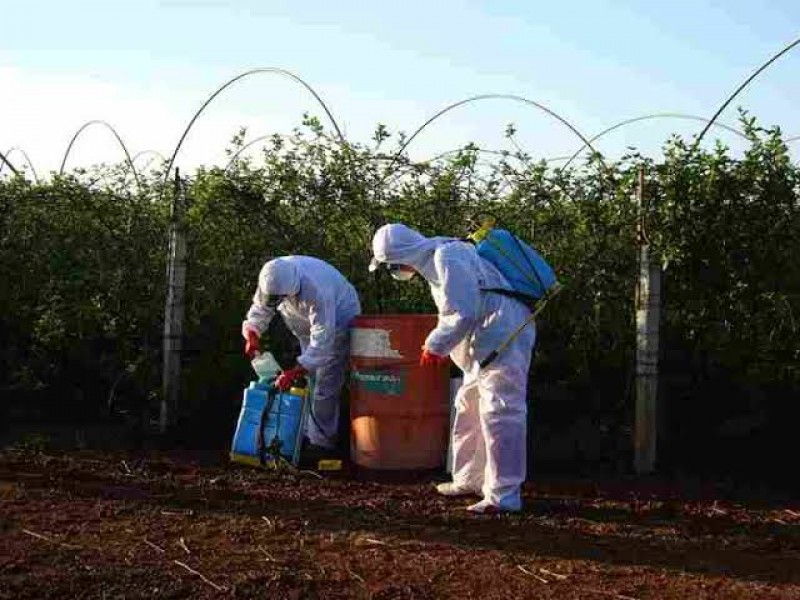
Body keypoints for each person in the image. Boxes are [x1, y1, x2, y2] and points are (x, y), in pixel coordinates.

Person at [369, 223, 536, 513]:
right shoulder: (438, 258)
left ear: (400, 257)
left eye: (391, 265)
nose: (394, 271)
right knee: (468, 403)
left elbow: (463, 312)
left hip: (505, 331)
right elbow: (459, 309)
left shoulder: (446, 256)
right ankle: (469, 479)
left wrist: (434, 346)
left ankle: (504, 495)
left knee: (501, 411)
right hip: (487, 334)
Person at [242, 256, 361, 455]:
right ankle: (303, 435)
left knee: (325, 383)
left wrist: (295, 371)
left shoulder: (317, 289)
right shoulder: (272, 276)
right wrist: (252, 334)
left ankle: (322, 443)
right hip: (307, 329)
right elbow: (261, 308)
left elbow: (323, 342)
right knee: (309, 379)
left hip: (337, 323)